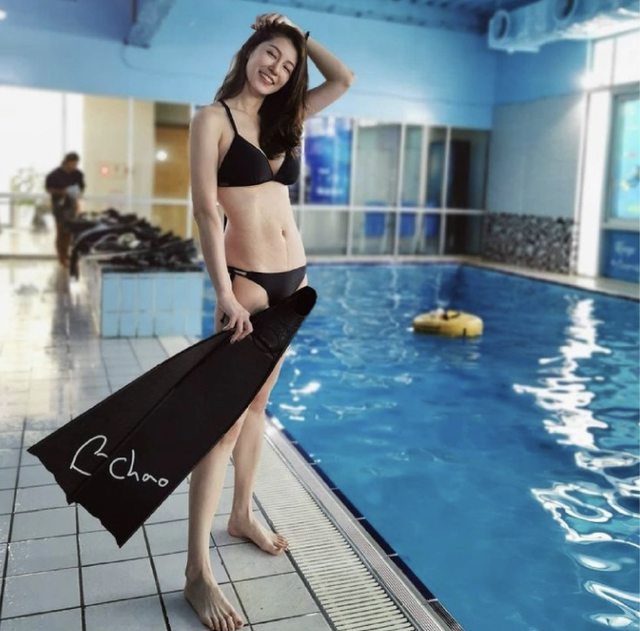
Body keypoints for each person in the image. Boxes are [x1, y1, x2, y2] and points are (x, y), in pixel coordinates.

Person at [187, 12, 354, 631]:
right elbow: (207, 212)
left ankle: (240, 516)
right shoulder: (213, 120)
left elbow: (344, 79)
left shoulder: (286, 119)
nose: (277, 69)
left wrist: (300, 35)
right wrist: (223, 292)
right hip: (250, 287)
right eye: (270, 54)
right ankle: (196, 572)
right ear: (249, 51)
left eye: (288, 64)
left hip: (293, 286)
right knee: (220, 426)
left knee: (257, 407)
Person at [45, 152, 85, 267]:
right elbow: (49, 189)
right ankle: (61, 257)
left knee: (69, 231)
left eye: (76, 164)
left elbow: (81, 187)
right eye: (72, 164)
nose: (74, 166)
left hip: (72, 205)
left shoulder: (78, 174)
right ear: (66, 162)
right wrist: (62, 192)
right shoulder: (54, 175)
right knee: (61, 231)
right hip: (59, 206)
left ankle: (67, 255)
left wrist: (77, 193)